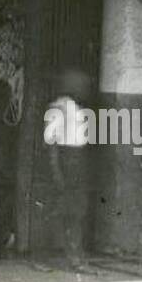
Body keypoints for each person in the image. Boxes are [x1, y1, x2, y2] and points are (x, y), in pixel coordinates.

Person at [44, 67, 94, 269]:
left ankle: (75, 254)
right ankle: (67, 255)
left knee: (77, 210)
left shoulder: (78, 109)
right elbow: (51, 143)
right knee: (67, 211)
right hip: (66, 161)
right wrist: (57, 171)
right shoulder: (58, 108)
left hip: (77, 161)